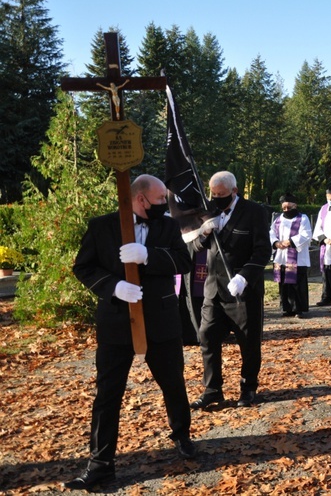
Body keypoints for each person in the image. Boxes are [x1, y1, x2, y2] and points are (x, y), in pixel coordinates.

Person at [66, 175, 196, 490]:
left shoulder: (167, 226)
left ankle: (181, 434)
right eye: (160, 200)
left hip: (161, 320)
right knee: (107, 395)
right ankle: (100, 464)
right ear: (139, 198)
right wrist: (114, 287)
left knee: (173, 384)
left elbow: (184, 261)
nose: (165, 205)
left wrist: (149, 256)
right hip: (116, 323)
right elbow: (82, 267)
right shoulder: (101, 226)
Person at [190, 171, 271, 409]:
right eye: (213, 194)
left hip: (242, 291)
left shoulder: (254, 212)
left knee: (248, 341)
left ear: (234, 191)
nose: (216, 198)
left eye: (221, 194)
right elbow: (195, 247)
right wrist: (203, 233)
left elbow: (263, 251)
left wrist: (245, 277)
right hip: (213, 289)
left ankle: (248, 388)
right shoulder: (209, 210)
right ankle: (213, 389)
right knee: (206, 336)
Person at [270, 192, 312, 318]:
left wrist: (290, 242)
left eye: (289, 207)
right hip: (281, 256)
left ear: (295, 206)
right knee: (283, 283)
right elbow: (271, 233)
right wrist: (276, 243)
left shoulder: (302, 218)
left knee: (296, 284)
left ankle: (298, 309)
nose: (286, 210)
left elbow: (306, 234)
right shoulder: (278, 220)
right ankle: (286, 308)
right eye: (284, 208)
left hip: (297, 257)